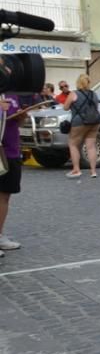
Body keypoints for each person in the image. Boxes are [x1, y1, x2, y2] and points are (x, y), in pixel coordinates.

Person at [62, 74, 100, 179]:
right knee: (91, 146)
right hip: (95, 121)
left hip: (79, 121)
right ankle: (93, 171)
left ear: (78, 82)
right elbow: (96, 107)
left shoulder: (73, 94)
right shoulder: (94, 94)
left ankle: (76, 169)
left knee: (73, 144)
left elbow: (65, 108)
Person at [0, 93, 25, 253]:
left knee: (5, 195)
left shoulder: (12, 95)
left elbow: (18, 122)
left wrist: (23, 116)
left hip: (11, 152)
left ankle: (0, 235)